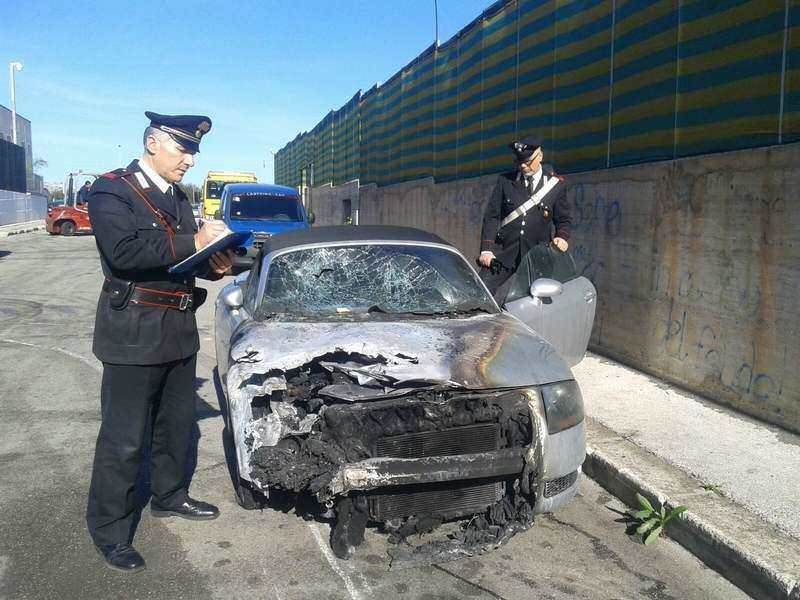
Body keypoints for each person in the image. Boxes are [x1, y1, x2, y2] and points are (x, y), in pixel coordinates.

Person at [85, 111, 234, 573]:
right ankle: (110, 530)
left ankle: (170, 496)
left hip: (177, 328)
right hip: (133, 331)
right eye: (183, 149)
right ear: (153, 142)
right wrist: (194, 242)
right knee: (124, 439)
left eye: (193, 151)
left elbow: (179, 260)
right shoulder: (113, 189)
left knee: (175, 427)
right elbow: (124, 253)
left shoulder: (177, 195)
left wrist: (214, 261)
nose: (190, 160)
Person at [478, 136, 572, 299]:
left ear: (540, 156)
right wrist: (486, 250)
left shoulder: (555, 185)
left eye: (527, 161)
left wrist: (561, 237)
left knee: (537, 303)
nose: (522, 165)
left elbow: (563, 220)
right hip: (505, 251)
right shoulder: (505, 181)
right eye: (518, 161)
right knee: (480, 291)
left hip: (536, 254)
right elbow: (492, 216)